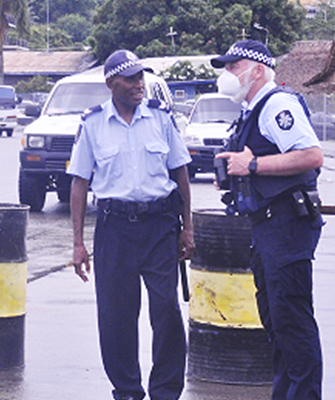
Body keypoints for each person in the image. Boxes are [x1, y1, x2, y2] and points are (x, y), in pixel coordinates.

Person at [68, 49, 194, 400]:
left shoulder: (160, 118)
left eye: (142, 77)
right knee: (116, 316)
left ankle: (166, 391)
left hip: (159, 226)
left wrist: (188, 228)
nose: (139, 84)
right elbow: (79, 183)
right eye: (131, 79)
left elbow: (180, 173)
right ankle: (127, 390)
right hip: (115, 229)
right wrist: (78, 243)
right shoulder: (93, 124)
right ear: (112, 84)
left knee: (166, 310)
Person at [212, 40, 324, 400]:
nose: (228, 75)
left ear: (257, 70)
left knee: (292, 321)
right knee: (276, 321)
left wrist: (254, 165)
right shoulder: (252, 110)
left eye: (234, 66)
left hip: (287, 227)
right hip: (268, 228)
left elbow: (311, 155)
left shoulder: (277, 105)